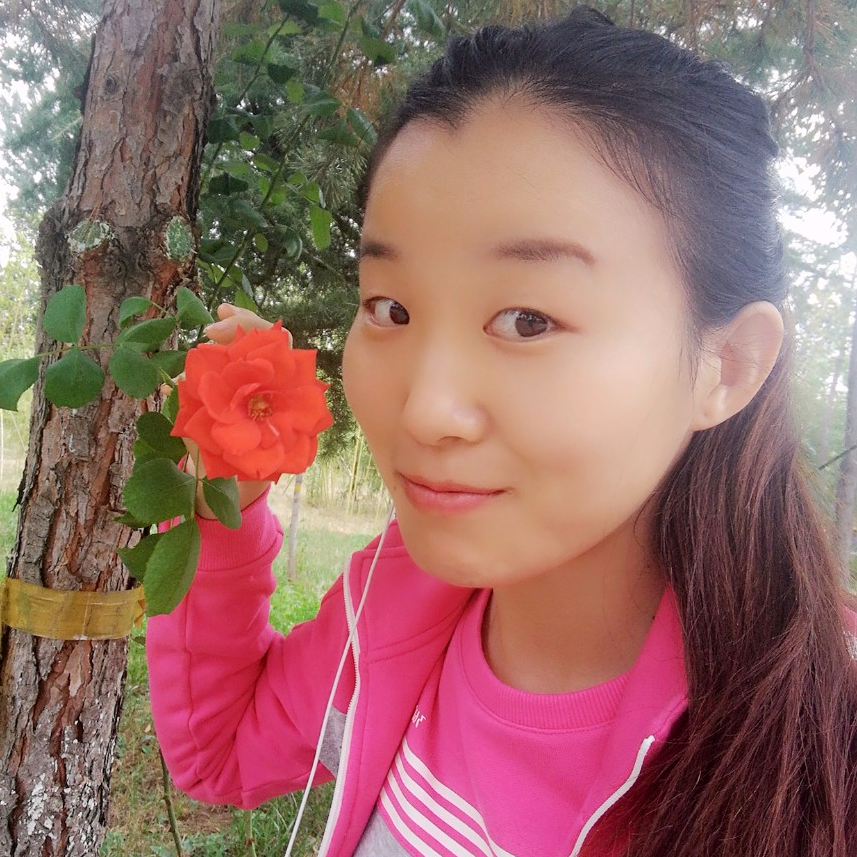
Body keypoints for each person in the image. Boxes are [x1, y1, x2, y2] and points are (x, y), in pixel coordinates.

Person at [146, 8, 857, 857]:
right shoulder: (397, 604)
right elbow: (222, 750)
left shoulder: (826, 738)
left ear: (728, 364)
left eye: (527, 320)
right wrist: (223, 492)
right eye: (390, 308)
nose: (424, 409)